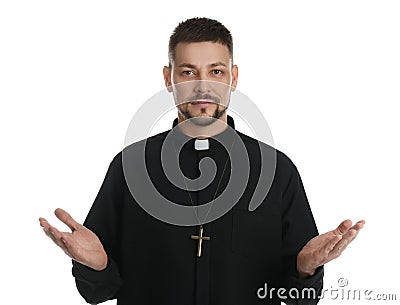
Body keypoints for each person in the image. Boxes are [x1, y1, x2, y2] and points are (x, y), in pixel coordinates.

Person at [39, 17, 365, 305]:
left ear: (233, 78)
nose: (202, 85)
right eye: (188, 71)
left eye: (216, 71)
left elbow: (300, 301)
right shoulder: (130, 167)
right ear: (169, 79)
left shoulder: (277, 171)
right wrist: (95, 266)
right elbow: (98, 291)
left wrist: (305, 270)